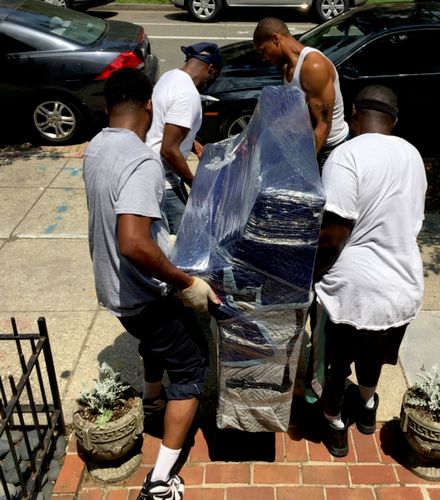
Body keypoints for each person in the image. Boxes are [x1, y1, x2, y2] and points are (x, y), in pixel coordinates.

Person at [83, 67, 220, 500]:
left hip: (114, 288)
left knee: (155, 345)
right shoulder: (141, 159)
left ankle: (153, 402)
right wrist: (185, 283)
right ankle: (159, 480)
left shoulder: (96, 146)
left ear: (107, 108)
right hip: (142, 294)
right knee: (193, 364)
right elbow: (133, 243)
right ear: (149, 106)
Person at [313, 85, 427, 457]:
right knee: (373, 356)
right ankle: (365, 408)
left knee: (335, 366)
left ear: (355, 114)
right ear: (394, 120)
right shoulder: (412, 155)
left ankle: (333, 425)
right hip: (400, 288)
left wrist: (312, 275)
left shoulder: (346, 156)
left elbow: (333, 237)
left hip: (352, 292)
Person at [146, 42, 222, 234]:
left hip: (151, 168)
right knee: (186, 236)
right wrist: (194, 183)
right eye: (213, 76)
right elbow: (168, 150)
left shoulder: (169, 76)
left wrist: (194, 144)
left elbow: (166, 121)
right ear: (210, 68)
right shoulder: (188, 95)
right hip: (164, 179)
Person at [253, 17, 349, 168]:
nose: (264, 58)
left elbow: (323, 127)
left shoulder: (313, 66)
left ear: (275, 39)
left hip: (329, 150)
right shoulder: (285, 68)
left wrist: (301, 169)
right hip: (305, 145)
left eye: (263, 51)